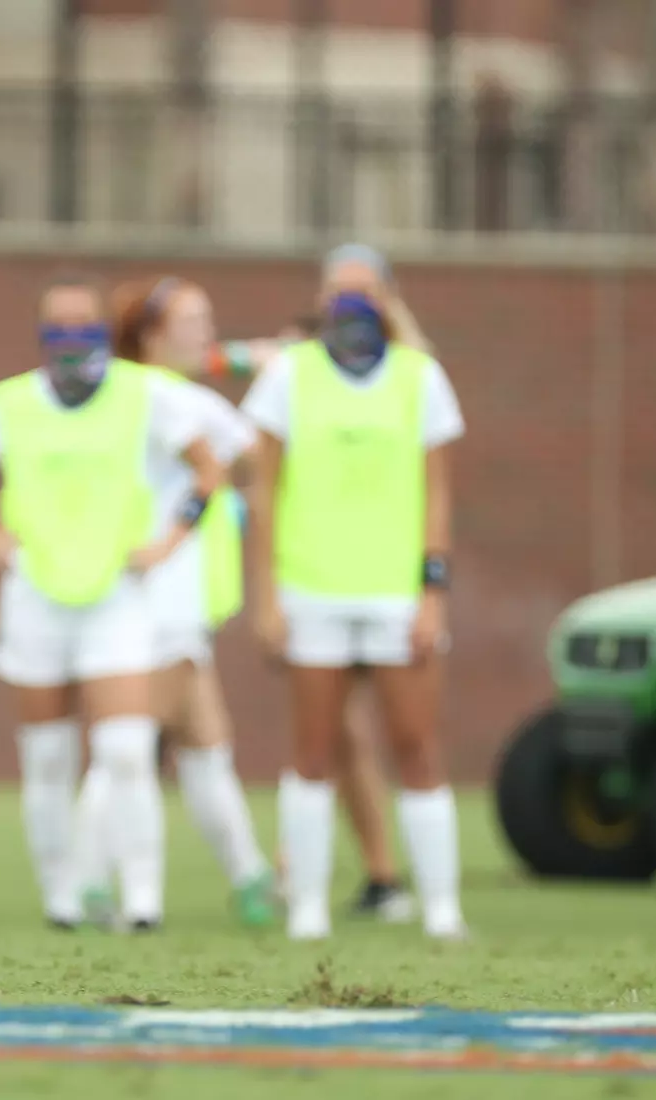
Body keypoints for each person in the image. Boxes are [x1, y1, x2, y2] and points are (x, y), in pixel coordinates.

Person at [0, 274, 225, 932]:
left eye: (83, 324)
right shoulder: (11, 401)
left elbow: (207, 470)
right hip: (36, 598)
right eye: (57, 326)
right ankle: (61, 897)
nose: (71, 338)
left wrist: (169, 541)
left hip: (115, 598)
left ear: (103, 328)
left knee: (126, 750)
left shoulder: (143, 396)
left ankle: (141, 900)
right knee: (47, 756)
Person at [243, 284, 467, 941]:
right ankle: (307, 910)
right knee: (314, 753)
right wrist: (267, 595)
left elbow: (437, 494)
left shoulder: (419, 377)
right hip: (312, 591)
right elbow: (263, 492)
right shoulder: (289, 374)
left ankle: (441, 911)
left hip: (395, 595)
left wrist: (432, 592)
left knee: (417, 749)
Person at [192, 296, 418, 925]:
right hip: (313, 581)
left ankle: (361, 872)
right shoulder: (286, 377)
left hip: (367, 578)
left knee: (355, 733)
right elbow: (210, 359)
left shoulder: (374, 379)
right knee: (337, 734)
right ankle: (356, 873)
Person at [102, 275, 278, 929]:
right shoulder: (176, 400)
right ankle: (100, 886)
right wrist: (260, 369)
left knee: (200, 749)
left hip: (164, 597)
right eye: (192, 321)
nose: (207, 333)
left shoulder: (145, 393)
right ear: (152, 335)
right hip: (160, 598)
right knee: (133, 743)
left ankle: (248, 876)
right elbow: (262, 453)